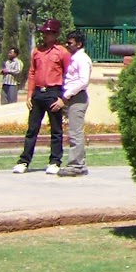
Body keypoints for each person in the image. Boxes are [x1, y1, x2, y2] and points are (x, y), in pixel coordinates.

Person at [14, 19, 70, 175]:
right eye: (44, 32)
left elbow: (69, 75)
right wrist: (29, 95)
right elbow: (32, 73)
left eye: (49, 33)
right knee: (32, 129)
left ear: (56, 34)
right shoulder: (37, 51)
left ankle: (55, 161)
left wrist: (63, 98)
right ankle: (24, 161)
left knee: (56, 130)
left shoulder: (62, 52)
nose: (45, 35)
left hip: (54, 92)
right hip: (38, 92)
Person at [54, 30, 94, 176]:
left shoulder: (82, 59)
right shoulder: (74, 58)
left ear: (79, 44)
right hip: (72, 97)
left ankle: (76, 165)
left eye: (70, 43)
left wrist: (66, 96)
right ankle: (79, 163)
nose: (67, 45)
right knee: (74, 131)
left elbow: (83, 81)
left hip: (77, 98)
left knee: (75, 132)